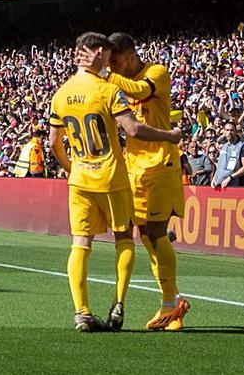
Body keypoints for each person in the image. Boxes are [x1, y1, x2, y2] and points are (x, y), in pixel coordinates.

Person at [48, 32, 183, 333]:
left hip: (160, 164)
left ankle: (170, 304)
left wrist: (103, 73)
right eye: (112, 62)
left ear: (132, 56)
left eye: (118, 61)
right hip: (129, 169)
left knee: (155, 235)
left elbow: (139, 92)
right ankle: (162, 302)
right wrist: (101, 76)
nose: (117, 68)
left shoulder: (155, 72)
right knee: (141, 235)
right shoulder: (106, 86)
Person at [214, 122, 244, 188]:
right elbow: (220, 166)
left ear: (236, 132)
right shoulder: (224, 146)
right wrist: (214, 179)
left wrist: (230, 178)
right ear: (224, 132)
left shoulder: (242, 147)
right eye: (227, 130)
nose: (229, 132)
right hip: (220, 185)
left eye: (232, 130)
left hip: (235, 185)